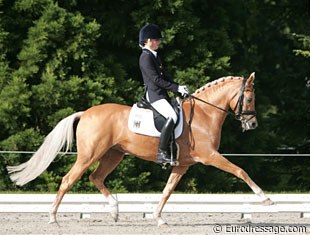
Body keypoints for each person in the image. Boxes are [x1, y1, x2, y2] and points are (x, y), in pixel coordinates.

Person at [138, 23, 190, 166]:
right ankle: (162, 153)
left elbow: (165, 77)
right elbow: (156, 80)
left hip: (162, 94)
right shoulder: (145, 57)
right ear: (147, 40)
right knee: (172, 116)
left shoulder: (154, 56)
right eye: (156, 39)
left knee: (179, 111)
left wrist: (178, 89)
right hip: (154, 95)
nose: (158, 42)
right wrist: (176, 87)